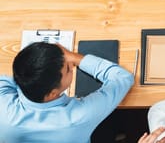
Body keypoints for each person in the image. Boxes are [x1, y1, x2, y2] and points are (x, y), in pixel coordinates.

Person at [0, 42, 134, 142]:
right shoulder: (78, 117)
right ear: (52, 93)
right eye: (68, 70)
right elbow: (122, 77)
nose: (71, 66)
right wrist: (73, 57)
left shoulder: (3, 109)